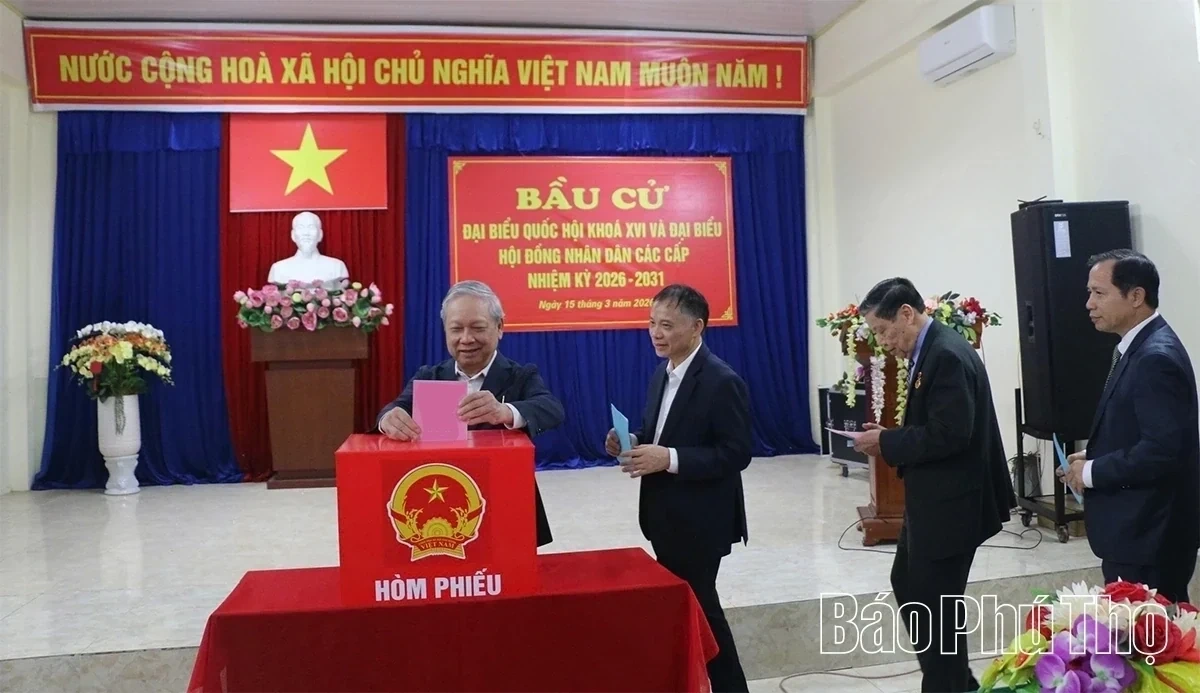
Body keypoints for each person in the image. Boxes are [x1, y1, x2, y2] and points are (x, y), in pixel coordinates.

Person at [851, 277, 1012, 693]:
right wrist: (888, 436)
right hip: (934, 504)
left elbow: (950, 434)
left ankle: (947, 685)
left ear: (907, 313)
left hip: (952, 507)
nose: (884, 342)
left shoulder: (945, 354)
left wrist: (886, 441)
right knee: (909, 584)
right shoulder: (933, 348)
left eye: (885, 331)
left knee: (934, 608)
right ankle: (958, 682)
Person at [604, 284, 750, 692]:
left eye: (666, 325)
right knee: (689, 610)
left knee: (703, 611)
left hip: (702, 520)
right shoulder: (663, 373)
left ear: (697, 326)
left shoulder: (721, 380)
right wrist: (630, 441)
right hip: (665, 517)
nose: (656, 333)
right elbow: (662, 433)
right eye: (652, 323)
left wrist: (666, 458)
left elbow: (736, 453)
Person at [1058, 250, 1199, 602]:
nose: (1089, 303)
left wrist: (1090, 473)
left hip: (1150, 536)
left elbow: (1161, 452)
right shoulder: (1138, 347)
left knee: (1149, 649)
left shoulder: (1155, 358)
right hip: (1139, 533)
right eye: (1089, 292)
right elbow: (1145, 430)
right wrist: (1093, 452)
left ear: (1136, 296)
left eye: (1099, 293)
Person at [377, 280, 563, 547]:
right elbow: (394, 408)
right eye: (456, 329)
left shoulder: (520, 376)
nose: (466, 339)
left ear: (500, 328)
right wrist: (388, 419)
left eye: (477, 328)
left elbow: (551, 409)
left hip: (507, 501)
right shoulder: (430, 376)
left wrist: (505, 411)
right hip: (440, 503)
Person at [267, 211, 349, 285]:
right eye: (300, 227)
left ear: (320, 234)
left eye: (311, 227)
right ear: (292, 235)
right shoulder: (278, 269)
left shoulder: (337, 267)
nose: (306, 233)